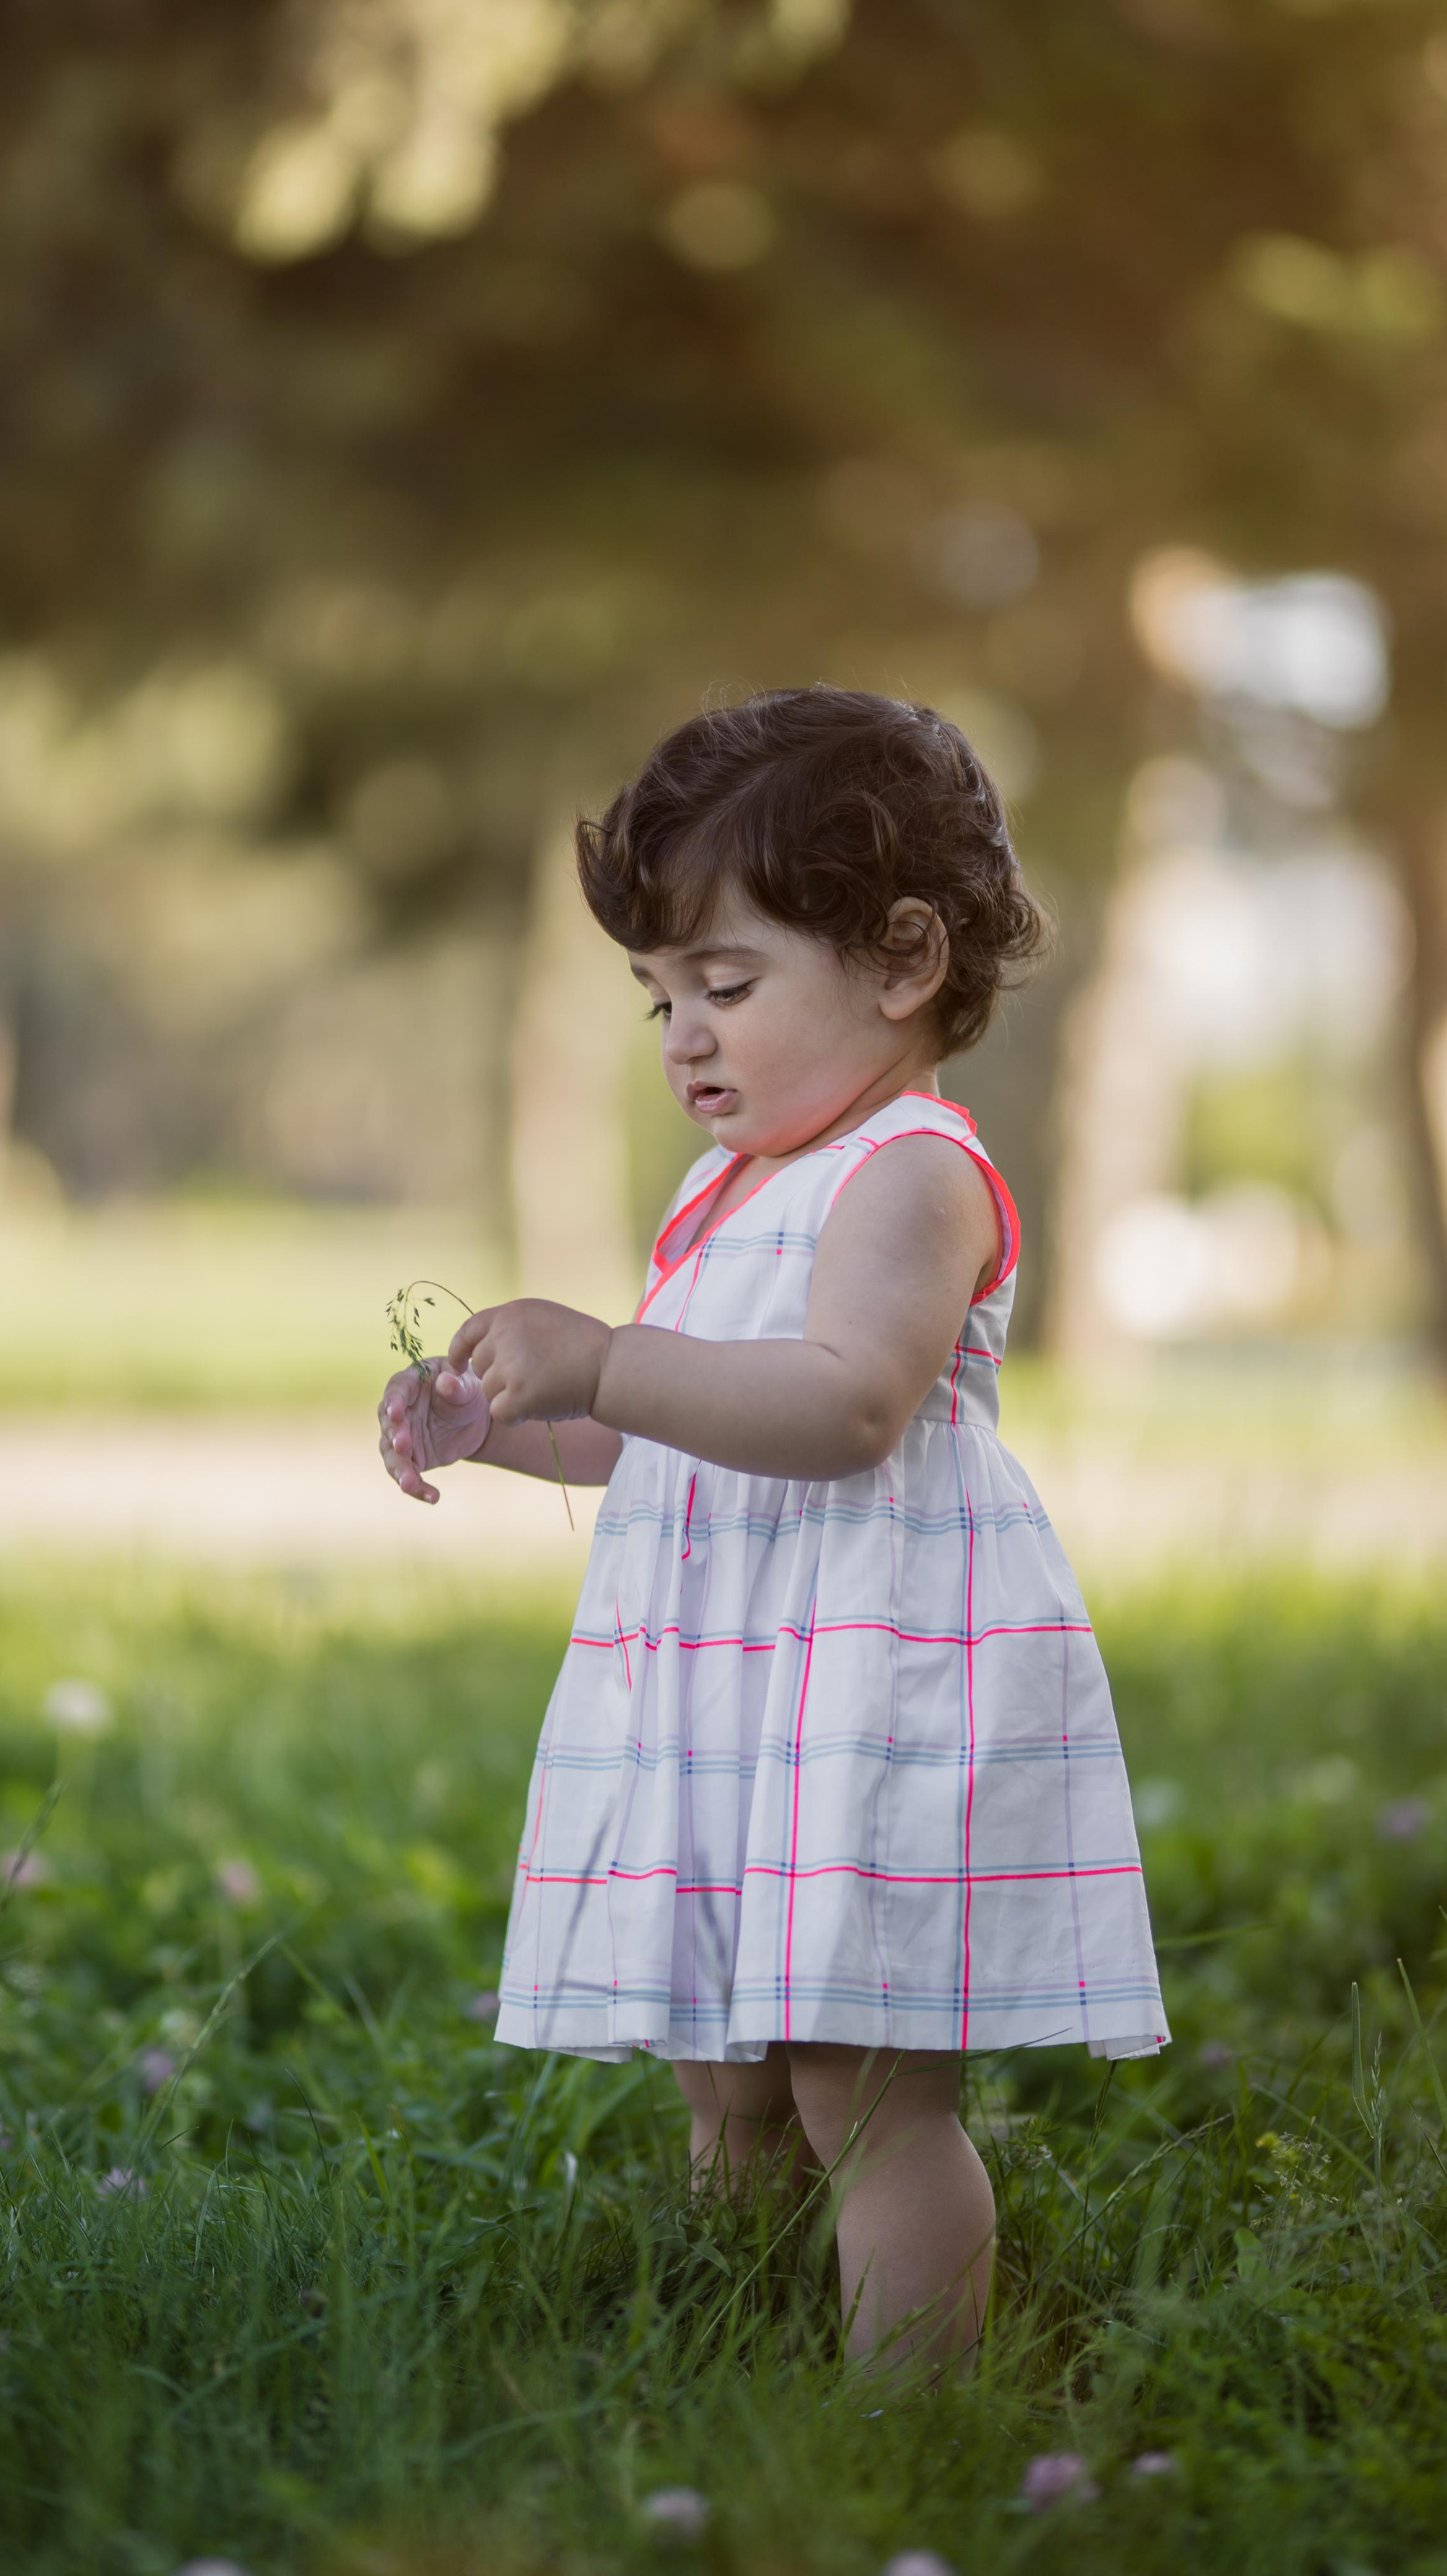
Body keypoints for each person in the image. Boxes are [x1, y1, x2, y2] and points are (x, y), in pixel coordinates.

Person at [377, 686, 1168, 2375]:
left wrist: (607, 1346)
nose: (680, 1037)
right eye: (659, 995)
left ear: (897, 963)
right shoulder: (715, 1192)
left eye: (725, 987)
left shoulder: (909, 1172)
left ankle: (914, 2416)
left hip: (868, 1690)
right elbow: (658, 1432)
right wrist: (509, 1424)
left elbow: (841, 1404)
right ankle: (735, 2361)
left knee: (854, 2086)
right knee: (721, 2080)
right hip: (730, 1700)